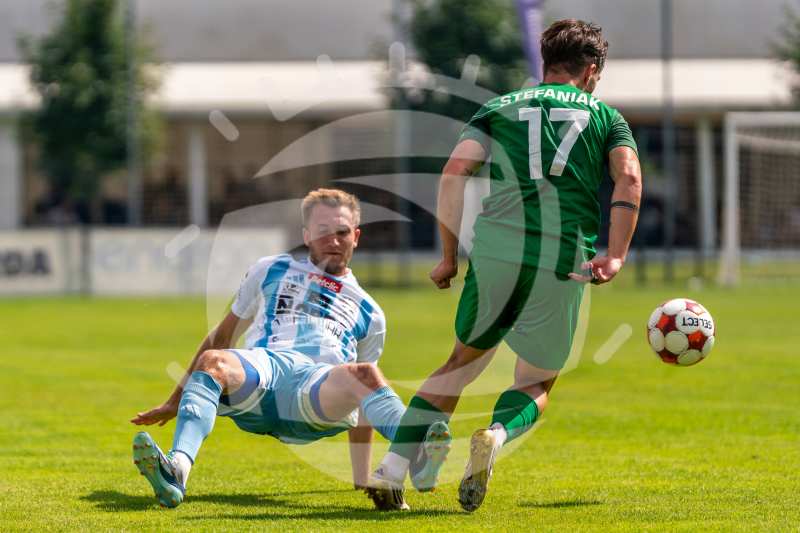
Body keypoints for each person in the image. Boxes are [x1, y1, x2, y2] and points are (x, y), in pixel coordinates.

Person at [366, 19, 643, 512]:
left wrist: (449, 254)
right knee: (535, 381)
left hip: (495, 252)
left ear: (545, 64)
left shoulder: (498, 107)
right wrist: (616, 254)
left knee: (457, 367)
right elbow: (629, 180)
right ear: (592, 70)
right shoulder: (606, 116)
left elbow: (455, 172)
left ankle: (391, 470)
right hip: (561, 257)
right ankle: (494, 435)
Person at [130, 188, 443, 509]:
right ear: (307, 234)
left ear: (356, 236)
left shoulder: (369, 310)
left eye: (342, 232)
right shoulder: (270, 269)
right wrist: (174, 400)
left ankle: (415, 453)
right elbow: (222, 337)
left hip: (316, 391)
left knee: (365, 374)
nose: (333, 241)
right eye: (323, 232)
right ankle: (176, 470)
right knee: (214, 360)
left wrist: (360, 478)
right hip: (263, 373)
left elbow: (366, 402)